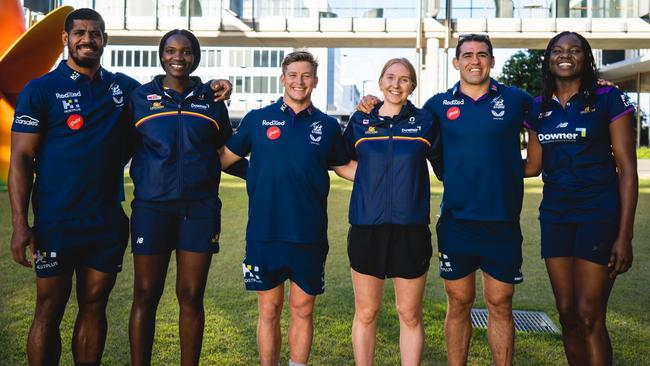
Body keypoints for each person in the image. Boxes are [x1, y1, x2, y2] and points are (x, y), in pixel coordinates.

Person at [8, 9, 231, 366]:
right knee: (48, 308)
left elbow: (172, 93)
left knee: (95, 306)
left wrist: (212, 86)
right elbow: (20, 159)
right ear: (64, 39)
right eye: (79, 33)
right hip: (55, 219)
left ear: (105, 41)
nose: (87, 39)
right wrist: (20, 224)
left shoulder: (125, 90)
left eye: (94, 34)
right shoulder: (41, 89)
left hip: (106, 220)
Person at [358, 34, 532, 365]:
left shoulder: (516, 100)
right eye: (467, 55)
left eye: (482, 55)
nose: (475, 61)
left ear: (492, 61)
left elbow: (551, 113)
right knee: (459, 300)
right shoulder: (438, 105)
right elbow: (400, 117)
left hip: (502, 221)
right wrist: (370, 103)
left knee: (500, 302)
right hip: (456, 221)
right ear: (456, 62)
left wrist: (596, 89)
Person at [219, 50, 355, 366]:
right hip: (265, 233)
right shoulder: (258, 119)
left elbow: (345, 166)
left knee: (303, 310)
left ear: (315, 81)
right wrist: (252, 172)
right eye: (293, 75)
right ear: (283, 79)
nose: (299, 81)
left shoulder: (328, 125)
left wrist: (392, 171)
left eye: (306, 75)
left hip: (308, 234)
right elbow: (224, 159)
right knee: (269, 310)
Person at [127, 29, 245, 366]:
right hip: (152, 208)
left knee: (191, 296)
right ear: (161, 55)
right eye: (171, 51)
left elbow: (225, 152)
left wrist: (266, 177)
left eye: (186, 51)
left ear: (195, 56)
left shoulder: (212, 100)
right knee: (146, 295)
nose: (178, 57)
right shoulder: (139, 98)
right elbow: (117, 149)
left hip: (200, 208)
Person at [524, 31, 638, 366]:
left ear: (585, 58)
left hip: (598, 215)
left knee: (590, 315)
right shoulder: (538, 106)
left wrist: (624, 236)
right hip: (556, 217)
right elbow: (532, 166)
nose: (565, 55)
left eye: (574, 50)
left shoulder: (607, 98)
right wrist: (477, 166)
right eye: (558, 50)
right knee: (567, 314)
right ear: (548, 59)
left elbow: (627, 169)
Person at [342, 58, 441, 366]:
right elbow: (339, 161)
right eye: (390, 77)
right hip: (366, 228)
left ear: (412, 85)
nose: (396, 85)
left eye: (404, 79)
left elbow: (447, 165)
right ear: (380, 81)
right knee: (367, 312)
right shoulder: (359, 121)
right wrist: (372, 176)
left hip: (410, 230)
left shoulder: (425, 121)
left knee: (409, 314)